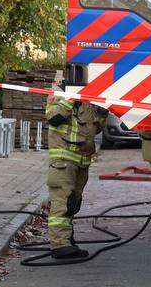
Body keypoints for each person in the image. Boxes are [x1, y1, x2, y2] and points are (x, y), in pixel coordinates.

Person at [44, 95, 106, 260]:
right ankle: (59, 245)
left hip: (82, 160)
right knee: (62, 202)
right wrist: (71, 99)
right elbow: (54, 117)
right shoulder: (60, 93)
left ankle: (67, 240)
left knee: (73, 203)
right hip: (63, 159)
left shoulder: (90, 101)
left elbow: (94, 130)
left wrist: (102, 113)